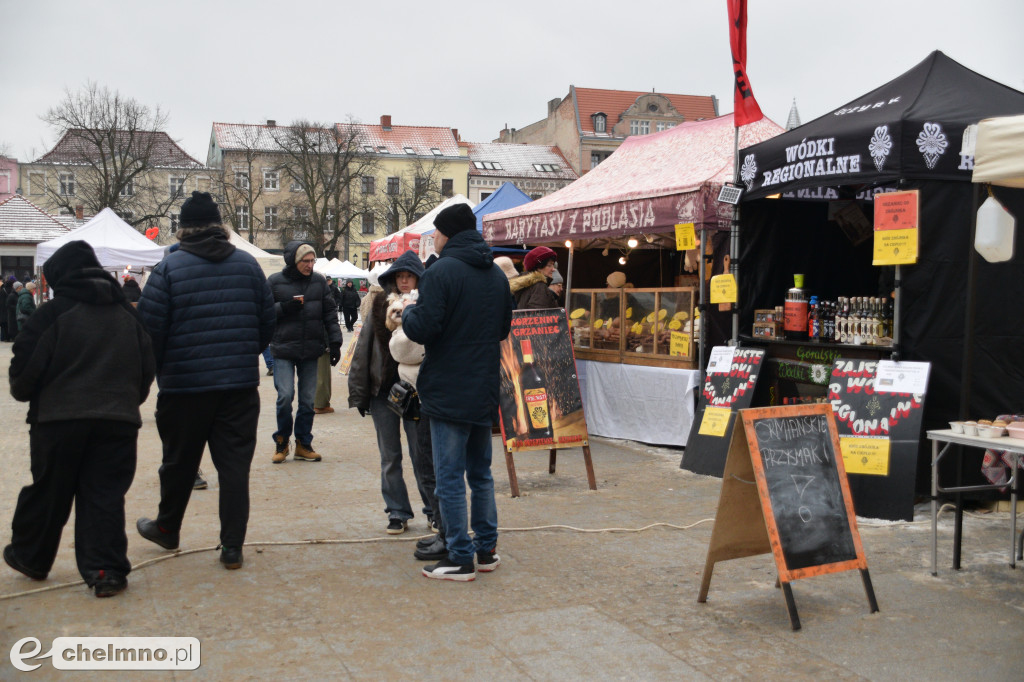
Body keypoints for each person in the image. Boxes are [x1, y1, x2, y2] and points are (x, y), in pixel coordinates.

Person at [6, 241, 155, 597]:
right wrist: (125, 400)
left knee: (49, 490)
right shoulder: (129, 315)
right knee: (104, 494)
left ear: (60, 277)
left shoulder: (51, 314)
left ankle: (31, 556)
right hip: (117, 420)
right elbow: (147, 368)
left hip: (58, 420)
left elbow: (23, 376)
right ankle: (105, 570)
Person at [135, 191, 275, 570]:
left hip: (184, 389)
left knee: (178, 464)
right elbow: (267, 324)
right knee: (234, 469)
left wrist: (155, 375)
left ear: (183, 229)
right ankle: (232, 547)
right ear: (220, 227)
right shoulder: (248, 266)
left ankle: (167, 529)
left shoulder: (168, 269)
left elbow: (149, 334)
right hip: (238, 388)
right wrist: (241, 354)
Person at [402, 202, 514, 581]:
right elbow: (502, 328)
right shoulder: (496, 274)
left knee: (449, 476)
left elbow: (422, 328)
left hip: (448, 388)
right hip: (483, 386)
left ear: (446, 233)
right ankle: (486, 549)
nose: (433, 237)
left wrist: (409, 311)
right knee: (480, 474)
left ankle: (459, 556)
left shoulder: (441, 271)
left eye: (436, 231)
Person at [349, 250, 433, 535]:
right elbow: (363, 349)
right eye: (400, 276)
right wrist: (359, 392)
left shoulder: (427, 306)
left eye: (409, 276)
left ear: (419, 278)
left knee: (422, 455)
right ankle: (397, 512)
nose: (404, 281)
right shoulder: (379, 305)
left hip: (416, 391)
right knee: (389, 457)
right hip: (382, 391)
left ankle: (433, 511)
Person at [267, 240, 343, 463]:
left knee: (308, 400)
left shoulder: (319, 282)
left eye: (312, 260)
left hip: (311, 349)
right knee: (285, 396)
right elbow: (263, 311)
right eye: (305, 261)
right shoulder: (274, 282)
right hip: (283, 348)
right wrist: (284, 307)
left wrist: (335, 342)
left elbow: (330, 314)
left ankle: (303, 443)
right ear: (294, 261)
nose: (310, 265)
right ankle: (282, 441)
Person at [510, 246, 559, 310]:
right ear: (538, 267)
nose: (553, 269)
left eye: (553, 265)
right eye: (549, 265)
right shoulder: (540, 286)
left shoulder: (524, 285)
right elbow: (538, 314)